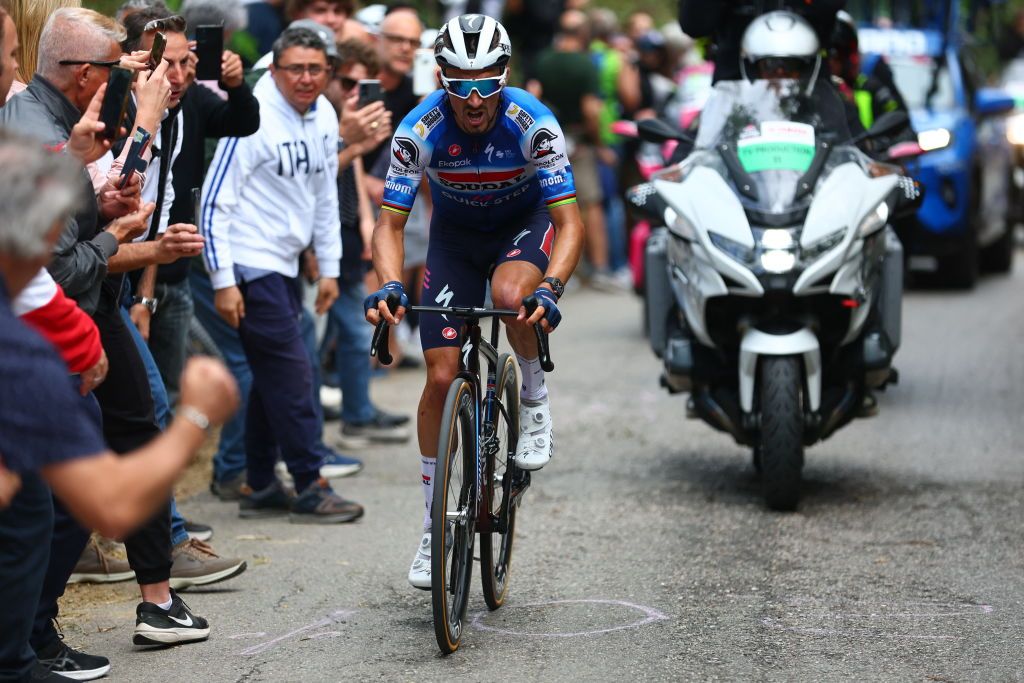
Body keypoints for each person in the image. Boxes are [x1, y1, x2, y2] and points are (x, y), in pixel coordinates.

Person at [0, 6, 215, 654]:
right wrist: (133, 243)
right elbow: (55, 261)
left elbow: (74, 216)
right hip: (59, 316)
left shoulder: (61, 126)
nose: (150, 77)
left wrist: (108, 218)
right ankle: (31, 635)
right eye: (8, 56)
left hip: (84, 306)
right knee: (64, 492)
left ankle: (144, 596)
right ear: (86, 74)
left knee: (121, 429)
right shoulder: (37, 124)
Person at [364, 14, 585, 589]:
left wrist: (551, 288)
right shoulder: (419, 131)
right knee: (439, 378)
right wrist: (389, 283)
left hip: (522, 225)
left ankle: (534, 397)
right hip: (456, 243)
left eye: (488, 84)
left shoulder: (533, 124)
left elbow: (570, 223)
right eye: (461, 86)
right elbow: (390, 226)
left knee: (513, 296)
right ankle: (433, 526)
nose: (475, 99)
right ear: (441, 80)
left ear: (504, 77)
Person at [201, 25, 364, 523]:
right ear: (273, 69)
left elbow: (322, 196)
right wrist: (224, 280)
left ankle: (261, 482)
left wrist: (331, 268)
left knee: (275, 377)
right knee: (295, 374)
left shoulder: (325, 114)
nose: (306, 79)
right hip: (250, 263)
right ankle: (310, 481)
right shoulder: (253, 115)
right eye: (295, 68)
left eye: (316, 69)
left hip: (287, 263)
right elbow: (213, 202)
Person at [321, 38, 411, 446]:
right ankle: (329, 429)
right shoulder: (321, 116)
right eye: (348, 82)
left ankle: (359, 413)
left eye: (363, 85)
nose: (355, 93)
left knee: (354, 333)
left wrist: (363, 225)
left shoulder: (341, 119)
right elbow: (317, 174)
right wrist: (355, 143)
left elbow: (351, 170)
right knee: (322, 338)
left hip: (342, 231)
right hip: (319, 242)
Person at [530, 10, 615, 290]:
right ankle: (600, 269)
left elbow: (533, 96)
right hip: (579, 141)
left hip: (546, 141)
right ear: (583, 35)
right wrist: (599, 143)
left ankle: (564, 272)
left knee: (554, 206)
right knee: (591, 205)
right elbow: (592, 110)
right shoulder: (586, 65)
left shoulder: (543, 60)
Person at [679, 0, 845, 83]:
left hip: (810, 87)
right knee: (692, 148)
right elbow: (694, 24)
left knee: (857, 145)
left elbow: (831, 4)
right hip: (735, 91)